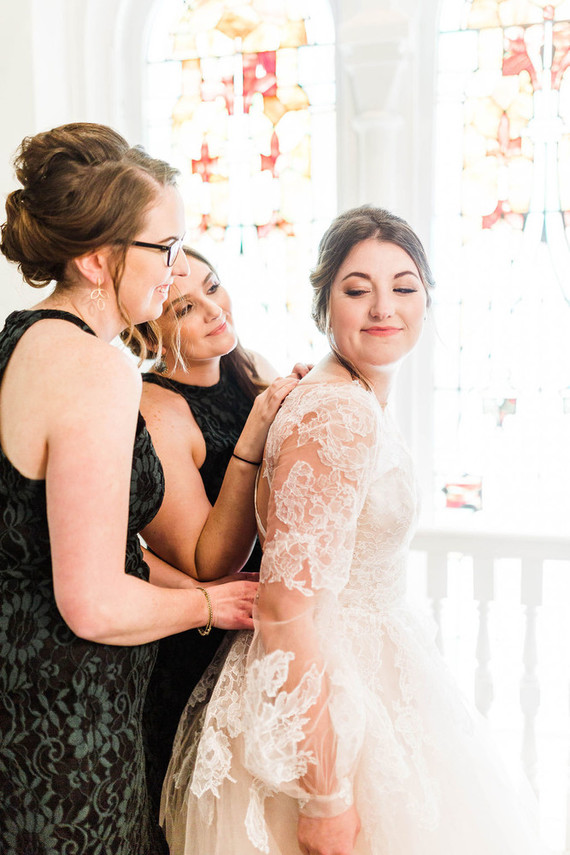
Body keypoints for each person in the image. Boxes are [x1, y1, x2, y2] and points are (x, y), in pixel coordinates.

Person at [160, 205, 545, 855]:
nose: (383, 307)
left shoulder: (357, 395)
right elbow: (284, 608)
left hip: (376, 677)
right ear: (324, 304)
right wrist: (326, 795)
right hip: (329, 710)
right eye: (357, 289)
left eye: (403, 286)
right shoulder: (336, 413)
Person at [0, 122, 261, 855]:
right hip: (64, 737)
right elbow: (92, 600)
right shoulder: (91, 370)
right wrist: (209, 602)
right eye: (165, 249)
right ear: (93, 257)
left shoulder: (22, 339)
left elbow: (90, 544)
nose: (176, 270)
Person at [129, 246, 303, 821]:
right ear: (148, 333)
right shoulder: (154, 412)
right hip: (199, 646)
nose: (213, 309)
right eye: (183, 308)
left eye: (214, 286)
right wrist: (256, 434)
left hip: (268, 626)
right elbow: (210, 562)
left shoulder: (246, 368)